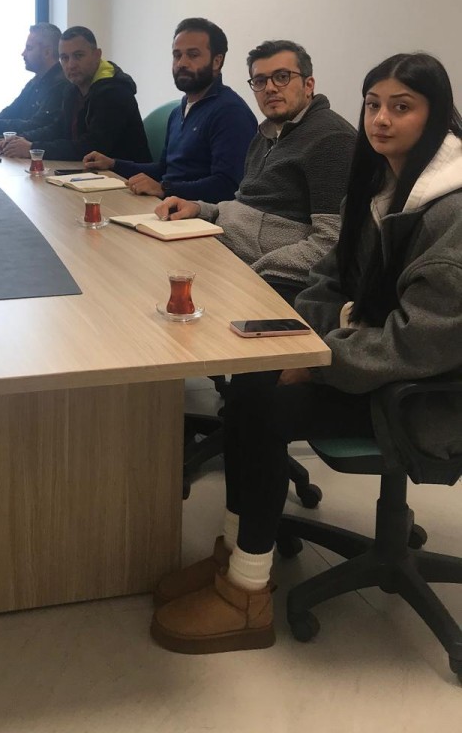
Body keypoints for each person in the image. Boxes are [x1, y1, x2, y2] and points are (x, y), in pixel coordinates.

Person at [150, 52, 462, 655]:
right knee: (249, 382)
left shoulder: (450, 211)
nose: (381, 120)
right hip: (370, 359)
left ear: (437, 115)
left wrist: (322, 360)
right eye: (373, 104)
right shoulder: (380, 185)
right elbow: (327, 278)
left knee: (266, 410)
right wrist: (313, 339)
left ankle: (247, 593)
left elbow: (420, 341)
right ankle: (234, 553)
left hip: (423, 393)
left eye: (402, 107)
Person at [155, 40, 355, 302]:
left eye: (282, 77)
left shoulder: (331, 140)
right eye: (260, 81)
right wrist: (199, 209)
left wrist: (254, 275)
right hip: (225, 253)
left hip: (262, 278)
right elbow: (245, 206)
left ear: (309, 85)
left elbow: (331, 243)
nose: (270, 88)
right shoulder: (267, 133)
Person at [83, 18, 257, 200]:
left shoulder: (230, 112)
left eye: (193, 55)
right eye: (177, 55)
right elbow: (164, 169)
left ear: (216, 61)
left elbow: (228, 187)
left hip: (198, 214)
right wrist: (113, 164)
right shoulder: (178, 112)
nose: (181, 63)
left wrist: (165, 189)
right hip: (167, 204)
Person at [0, 26, 151, 163]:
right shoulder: (72, 89)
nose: (71, 65)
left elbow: (91, 147)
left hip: (124, 179)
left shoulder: (114, 91)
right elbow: (58, 128)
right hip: (89, 172)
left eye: (78, 56)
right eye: (64, 58)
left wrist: (32, 148)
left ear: (97, 55)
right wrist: (20, 139)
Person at [0, 23, 68, 138]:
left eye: (29, 48)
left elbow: (37, 125)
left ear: (47, 52)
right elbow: (11, 112)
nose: (23, 53)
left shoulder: (61, 85)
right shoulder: (35, 82)